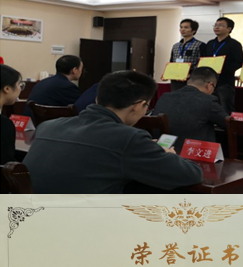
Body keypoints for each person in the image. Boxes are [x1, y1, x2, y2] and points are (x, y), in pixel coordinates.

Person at [23, 70, 203, 193]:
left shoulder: (48, 127)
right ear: (138, 106)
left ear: (97, 99)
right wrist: (167, 154)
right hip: (86, 228)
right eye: (146, 107)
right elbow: (191, 174)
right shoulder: (128, 138)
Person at [154, 67, 228, 149]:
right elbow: (228, 124)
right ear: (210, 85)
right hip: (193, 153)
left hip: (163, 150)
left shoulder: (165, 97)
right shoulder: (208, 101)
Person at [205, 17, 243, 114]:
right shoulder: (210, 43)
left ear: (229, 29)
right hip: (209, 81)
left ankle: (227, 124)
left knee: (226, 107)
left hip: (225, 81)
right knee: (209, 106)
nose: (216, 27)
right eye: (215, 25)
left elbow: (238, 62)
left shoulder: (234, 44)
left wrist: (223, 70)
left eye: (220, 25)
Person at [170, 18, 207, 92]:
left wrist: (192, 74)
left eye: (186, 27)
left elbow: (202, 63)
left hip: (191, 79)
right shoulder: (176, 46)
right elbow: (171, 61)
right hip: (176, 79)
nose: (182, 29)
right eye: (181, 27)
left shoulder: (200, 45)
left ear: (193, 30)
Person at [1, 65, 23, 165]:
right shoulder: (4, 124)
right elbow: (6, 163)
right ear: (7, 88)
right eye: (19, 85)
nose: (20, 89)